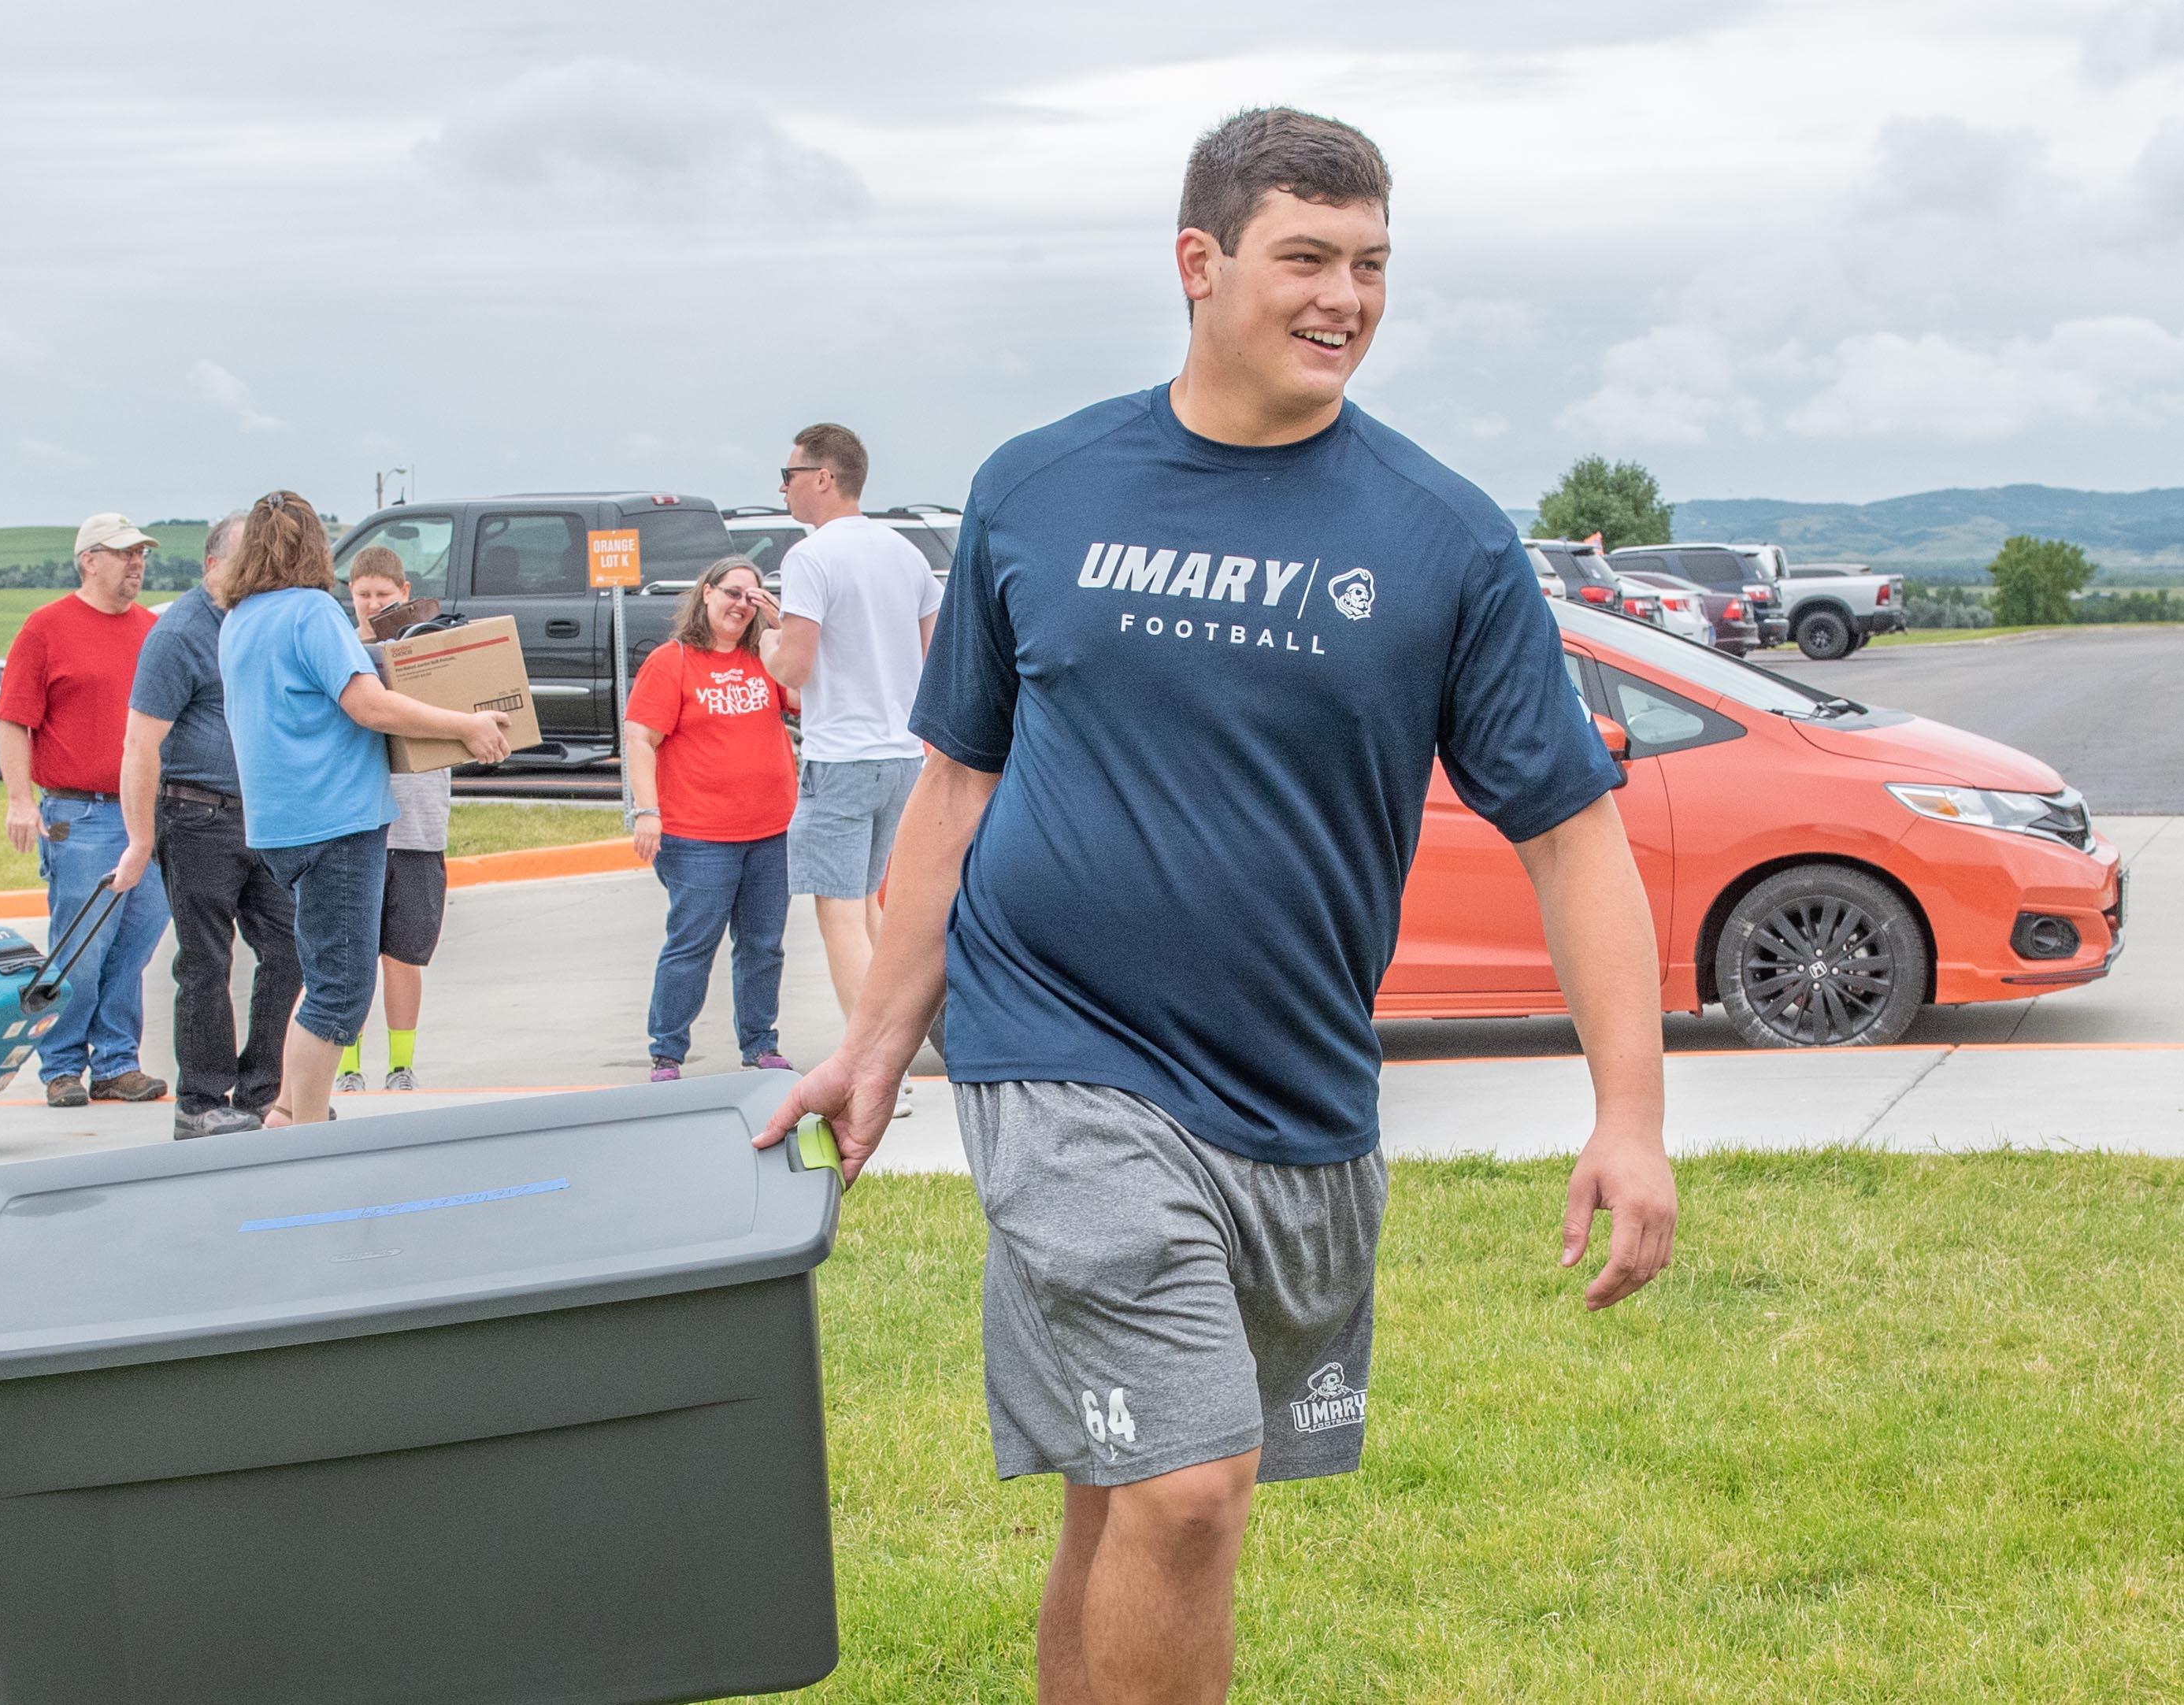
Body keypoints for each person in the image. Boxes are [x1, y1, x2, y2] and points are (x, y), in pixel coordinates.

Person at [761, 109, 1677, 1704]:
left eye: (1370, 264)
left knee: (1123, 1489)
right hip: (1056, 1051)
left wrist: (1630, 1113)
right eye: (1305, 258)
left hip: (1294, 1089)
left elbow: (1572, 836)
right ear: (1196, 264)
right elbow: (957, 787)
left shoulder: (1438, 534)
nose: (1344, 297)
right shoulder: (1038, 487)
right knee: (1192, 1487)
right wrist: (880, 1038)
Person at [213, 492, 511, 1126]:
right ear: (314, 548)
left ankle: (288, 1111)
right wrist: (466, 724)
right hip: (337, 819)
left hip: (278, 824)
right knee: (340, 991)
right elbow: (368, 705)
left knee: (320, 972)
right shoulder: (312, 612)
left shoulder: (240, 618)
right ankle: (309, 1131)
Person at [112, 513, 293, 1140]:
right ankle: (201, 1099)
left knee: (290, 948)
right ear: (214, 566)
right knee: (206, 961)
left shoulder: (259, 624)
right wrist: (140, 839)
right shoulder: (180, 633)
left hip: (264, 818)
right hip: (196, 816)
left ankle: (264, 1090)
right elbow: (140, 743)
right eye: (251, 563)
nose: (263, 575)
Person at [767, 421, 942, 1023]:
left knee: (837, 912)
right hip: (901, 755)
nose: (782, 488)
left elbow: (792, 667)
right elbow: (933, 655)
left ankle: (867, 1055)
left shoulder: (809, 558)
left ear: (823, 477)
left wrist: (768, 638)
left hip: (840, 757)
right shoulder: (905, 552)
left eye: (788, 476)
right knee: (871, 906)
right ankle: (892, 1045)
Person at [0, 513, 170, 1107]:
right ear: (88, 560)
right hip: (81, 814)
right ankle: (62, 1064)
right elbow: (14, 719)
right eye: (123, 554)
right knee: (82, 944)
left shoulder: (153, 631)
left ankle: (117, 1061)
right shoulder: (47, 628)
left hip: (146, 814)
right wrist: (20, 800)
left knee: (137, 940)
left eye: (140, 554)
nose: (136, 564)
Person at [621, 554, 798, 1083]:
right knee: (692, 943)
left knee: (763, 945)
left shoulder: (766, 658)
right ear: (706, 593)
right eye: (732, 593)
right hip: (697, 837)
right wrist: (646, 811)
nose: (742, 604)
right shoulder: (671, 661)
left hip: (770, 832)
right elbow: (640, 739)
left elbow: (802, 698)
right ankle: (667, 1051)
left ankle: (760, 1043)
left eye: (754, 596)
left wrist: (780, 625)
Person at [339, 548, 451, 1092]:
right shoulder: (339, 652)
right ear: (350, 596)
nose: (373, 604)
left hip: (418, 822)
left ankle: (401, 1063)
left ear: (404, 593)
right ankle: (347, 1064)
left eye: (384, 595)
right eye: (363, 595)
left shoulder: (430, 654)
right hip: (356, 824)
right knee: (351, 952)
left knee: (403, 952)